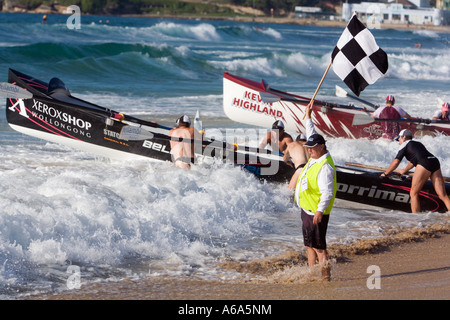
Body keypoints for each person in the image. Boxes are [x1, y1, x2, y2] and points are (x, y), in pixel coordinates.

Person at [294, 105, 337, 281]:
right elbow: (311, 132)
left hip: (315, 212)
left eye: (312, 148)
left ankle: (325, 279)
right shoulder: (316, 155)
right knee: (309, 246)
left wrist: (320, 211)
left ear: (321, 147)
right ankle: (313, 275)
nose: (309, 150)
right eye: (308, 147)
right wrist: (308, 117)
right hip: (307, 208)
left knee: (319, 248)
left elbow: (327, 193)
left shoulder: (325, 167)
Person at [381, 129, 450, 213]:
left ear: (403, 138)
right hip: (434, 161)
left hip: (424, 163)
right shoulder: (417, 143)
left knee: (413, 193)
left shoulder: (404, 144)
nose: (398, 141)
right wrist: (405, 170)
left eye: (398, 139)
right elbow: (413, 161)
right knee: (443, 195)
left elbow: (396, 162)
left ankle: (416, 219)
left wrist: (385, 173)